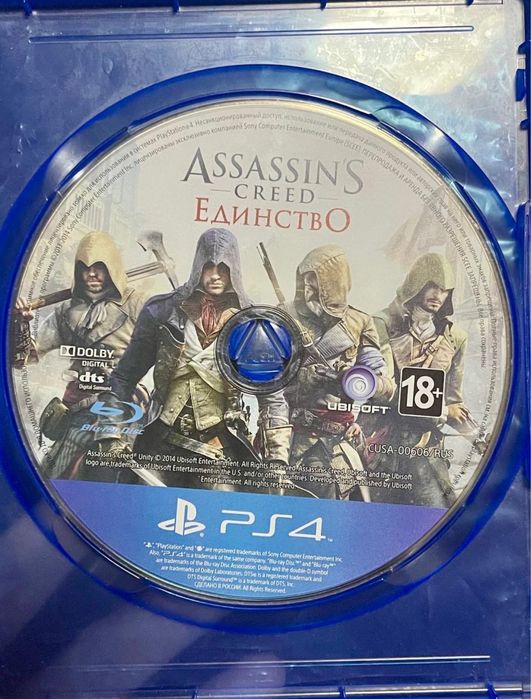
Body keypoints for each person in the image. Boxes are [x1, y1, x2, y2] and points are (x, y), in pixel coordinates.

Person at [105, 227, 258, 490]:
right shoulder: (161, 310)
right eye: (208, 267)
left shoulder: (252, 320)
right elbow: (124, 377)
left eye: (223, 268)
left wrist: (278, 460)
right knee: (141, 506)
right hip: (161, 443)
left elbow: (272, 395)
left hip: (218, 448)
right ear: (198, 266)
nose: (215, 275)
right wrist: (110, 431)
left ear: (233, 269)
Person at [258, 245, 395, 500]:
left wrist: (353, 379)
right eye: (305, 279)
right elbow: (271, 388)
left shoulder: (360, 322)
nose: (307, 287)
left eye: (315, 280)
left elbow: (385, 386)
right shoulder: (283, 315)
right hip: (291, 435)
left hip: (338, 441)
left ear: (334, 283)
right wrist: (276, 455)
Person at [11, 230, 149, 481]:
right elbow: (24, 358)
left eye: (99, 267)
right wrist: (21, 323)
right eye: (84, 268)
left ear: (112, 267)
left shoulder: (138, 304)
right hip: (78, 408)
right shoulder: (66, 311)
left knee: (115, 475)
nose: (91, 274)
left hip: (123, 409)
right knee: (54, 476)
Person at [368, 252, 475, 507]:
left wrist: (478, 438)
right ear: (417, 283)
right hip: (383, 444)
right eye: (432, 286)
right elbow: (384, 388)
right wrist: (443, 411)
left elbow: (454, 402)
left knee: (437, 513)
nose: (438, 295)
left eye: (444, 290)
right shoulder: (382, 324)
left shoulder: (455, 338)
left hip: (426, 448)